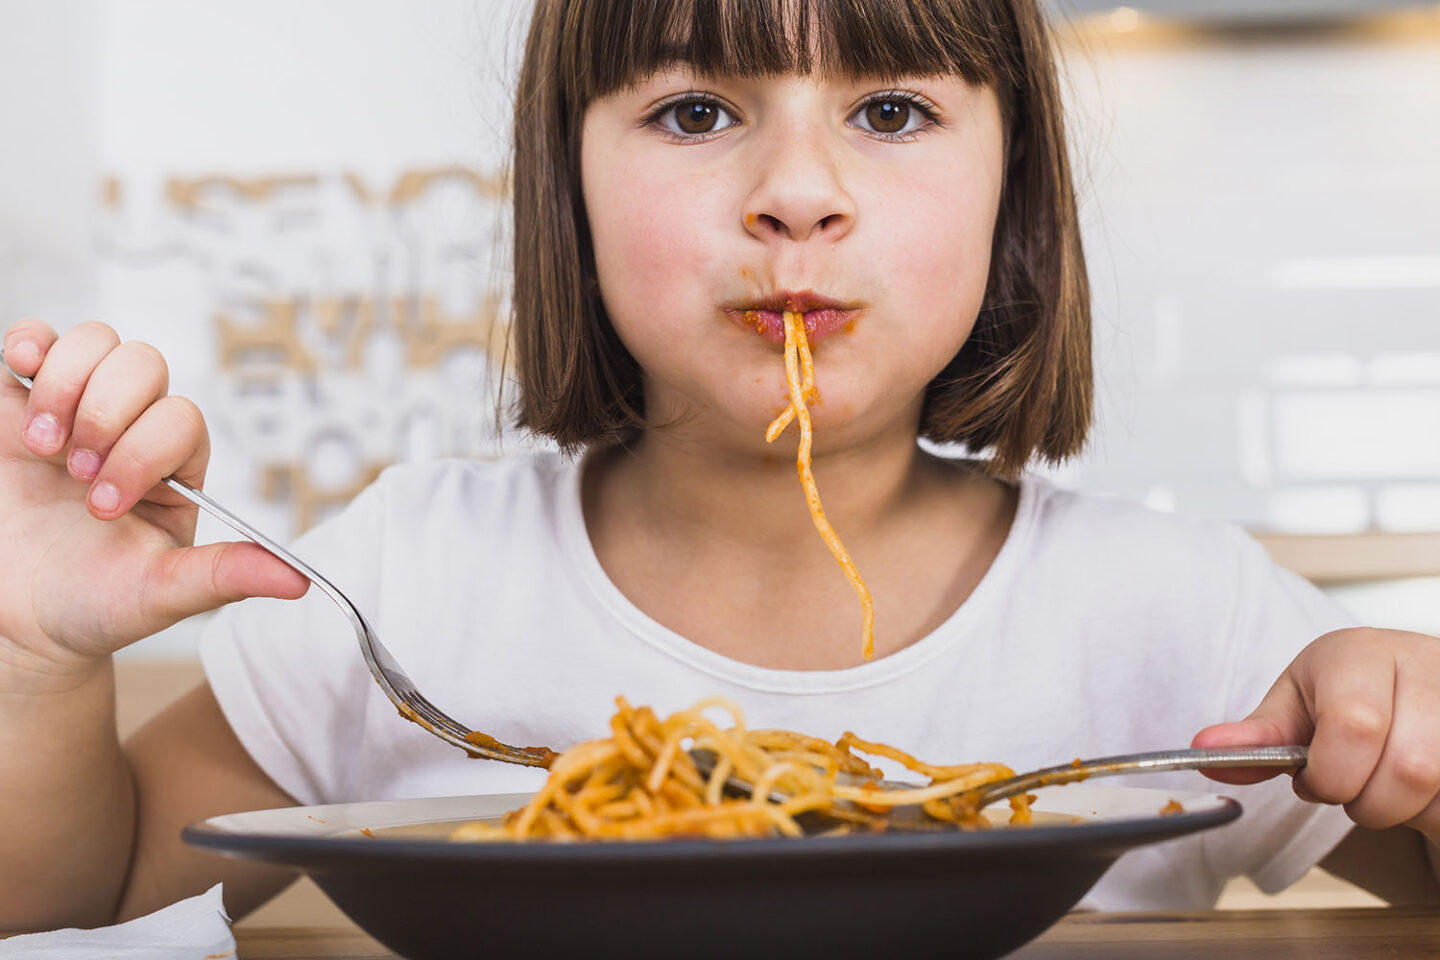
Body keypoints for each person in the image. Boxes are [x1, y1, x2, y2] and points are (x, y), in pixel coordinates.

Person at [2, 0, 1437, 931]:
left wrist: (1415, 731)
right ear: (567, 190)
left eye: (892, 113)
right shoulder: (410, 574)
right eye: (694, 113)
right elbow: (89, 906)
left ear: (1016, 201)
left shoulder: (1183, 615)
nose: (798, 195)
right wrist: (37, 659)